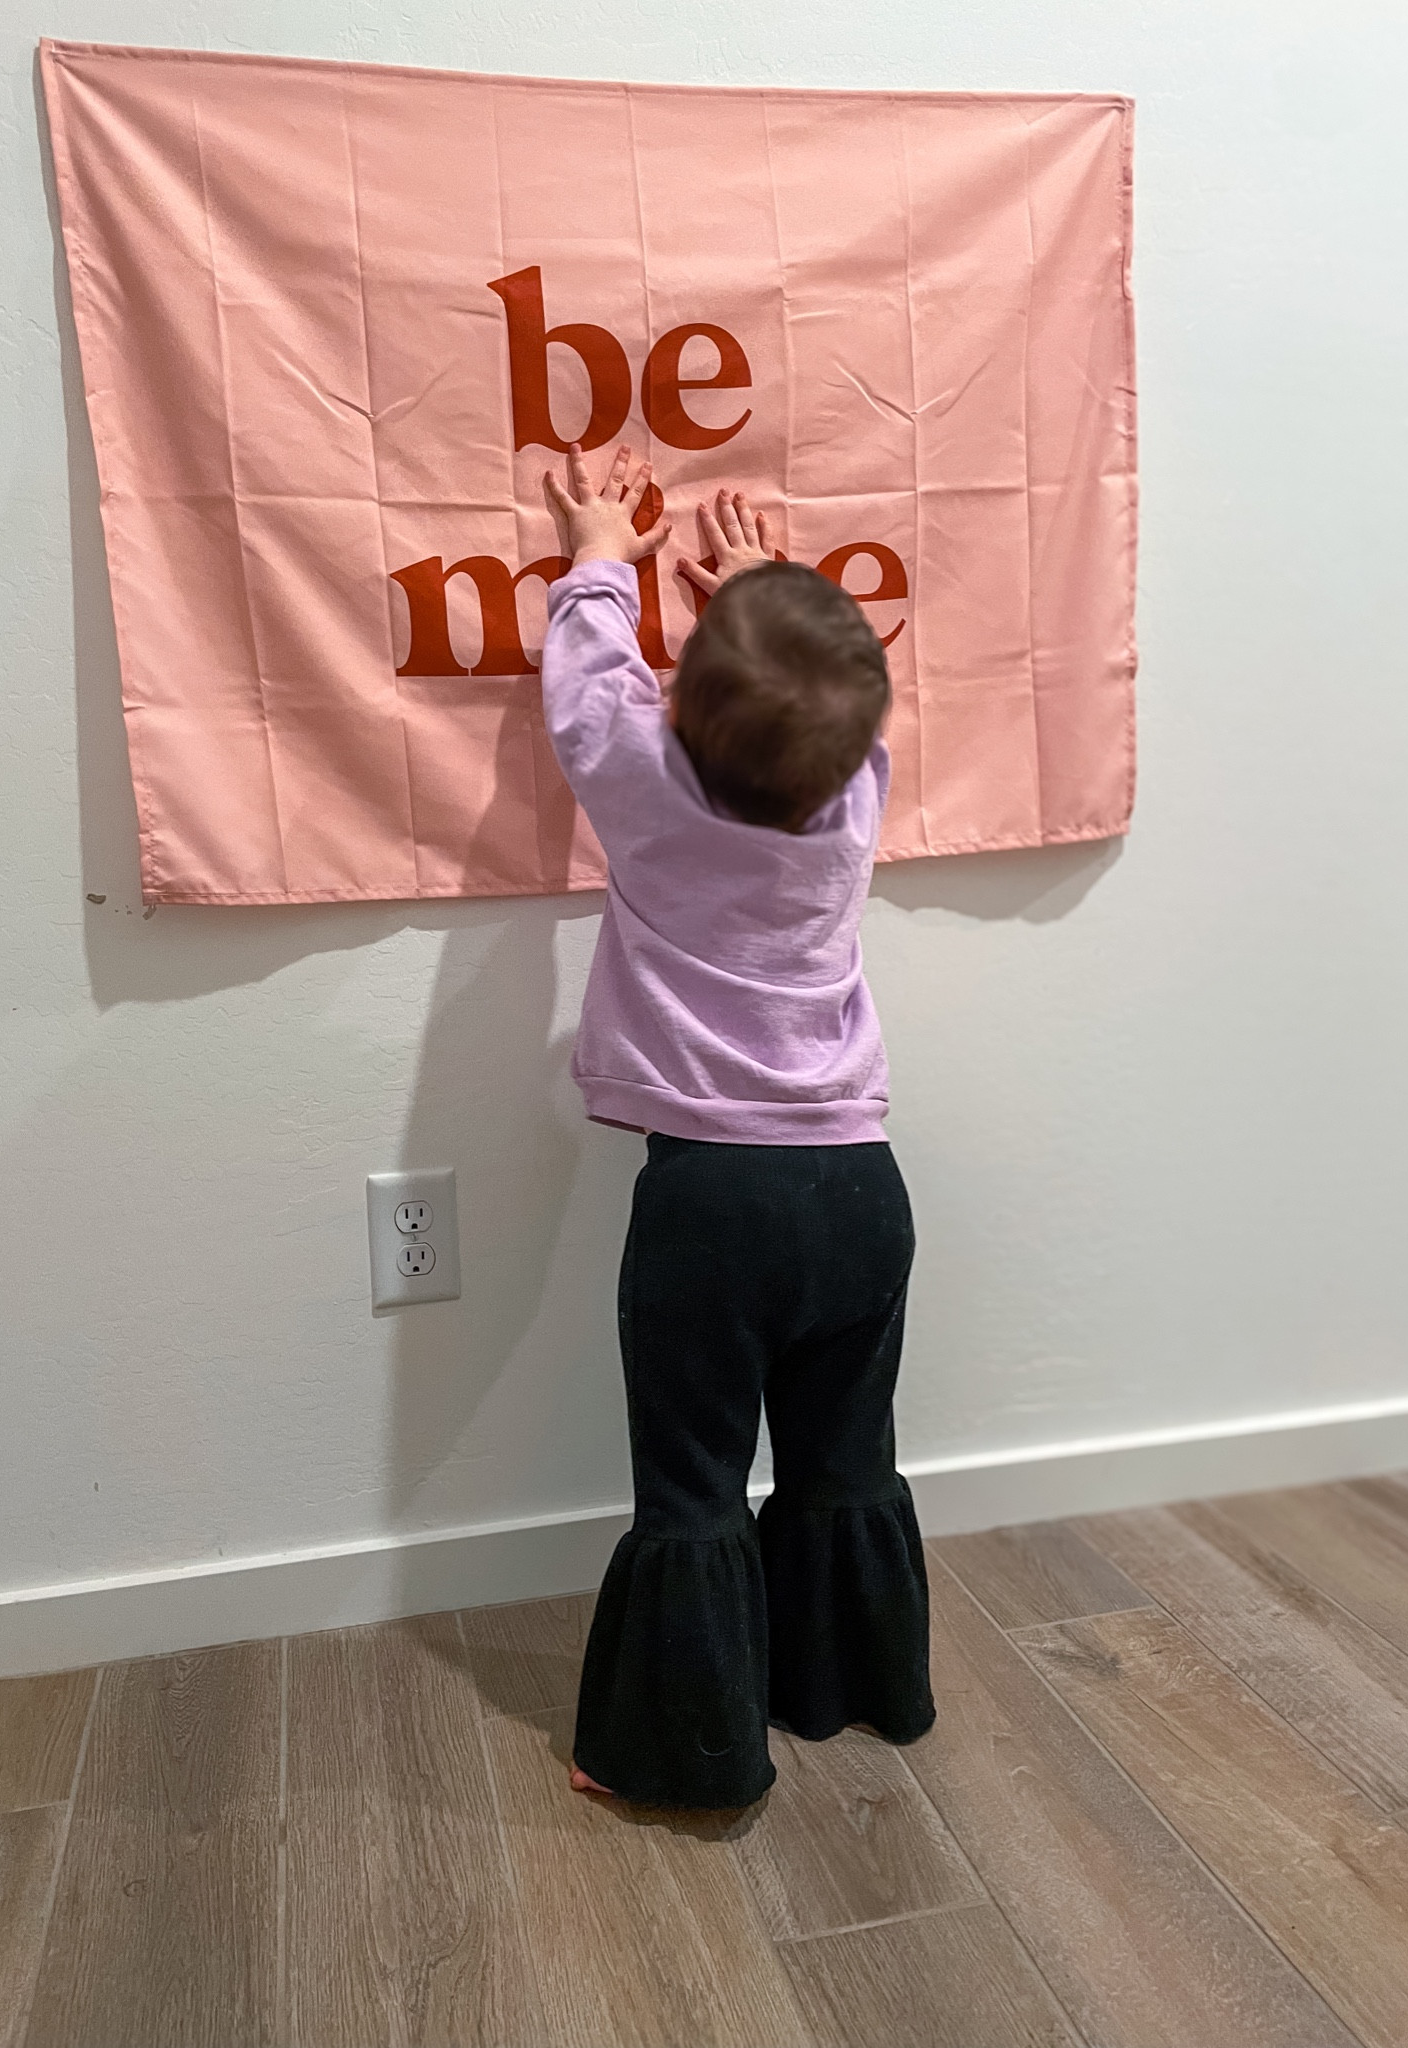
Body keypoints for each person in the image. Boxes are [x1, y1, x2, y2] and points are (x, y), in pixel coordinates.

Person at [538, 442, 934, 1809]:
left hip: (713, 1203)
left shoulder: (646, 796)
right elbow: (828, 710)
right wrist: (773, 580)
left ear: (680, 714)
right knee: (844, 1454)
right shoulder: (855, 805)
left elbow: (592, 697)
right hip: (861, 1192)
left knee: (696, 1481)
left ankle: (688, 1754)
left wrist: (602, 553)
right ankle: (846, 1683)